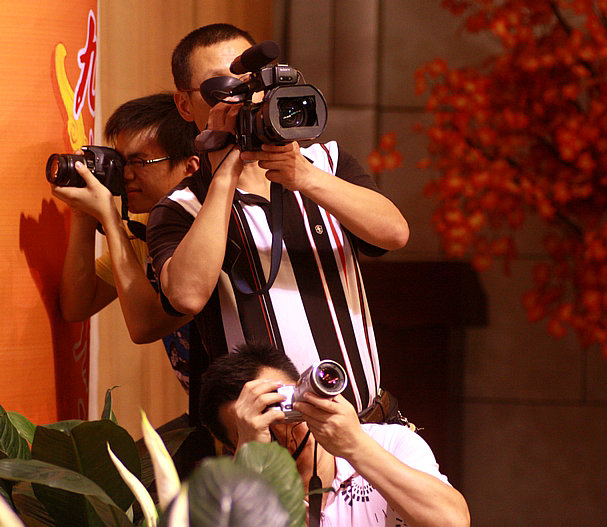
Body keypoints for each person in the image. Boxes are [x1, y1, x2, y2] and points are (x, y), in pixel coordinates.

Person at [147, 23, 410, 413]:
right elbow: (186, 295)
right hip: (269, 439)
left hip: (368, 425)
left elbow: (395, 233)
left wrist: (304, 176)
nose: (240, 100)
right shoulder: (181, 207)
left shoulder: (326, 162)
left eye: (248, 84)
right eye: (220, 88)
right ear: (185, 105)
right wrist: (225, 175)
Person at [199, 343, 470, 527]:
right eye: (257, 422)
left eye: (280, 404)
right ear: (234, 448)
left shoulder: (388, 443)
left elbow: (453, 521)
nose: (278, 426)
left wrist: (355, 446)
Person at [52, 93, 199, 391]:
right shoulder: (147, 225)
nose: (125, 175)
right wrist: (83, 215)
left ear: (190, 167)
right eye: (121, 162)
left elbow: (146, 326)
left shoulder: (207, 230)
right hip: (208, 405)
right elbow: (77, 306)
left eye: (139, 162)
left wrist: (110, 219)